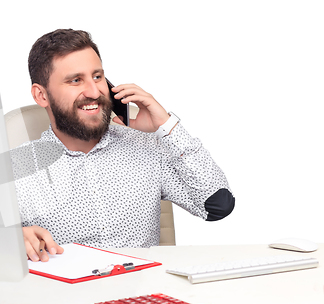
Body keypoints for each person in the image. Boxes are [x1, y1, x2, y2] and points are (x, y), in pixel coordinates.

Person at [12, 29, 234, 262]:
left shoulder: (147, 148)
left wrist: (166, 127)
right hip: (67, 296)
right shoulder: (15, 169)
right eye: (76, 80)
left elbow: (217, 205)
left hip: (142, 293)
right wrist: (10, 239)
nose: (94, 91)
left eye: (97, 77)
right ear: (41, 95)